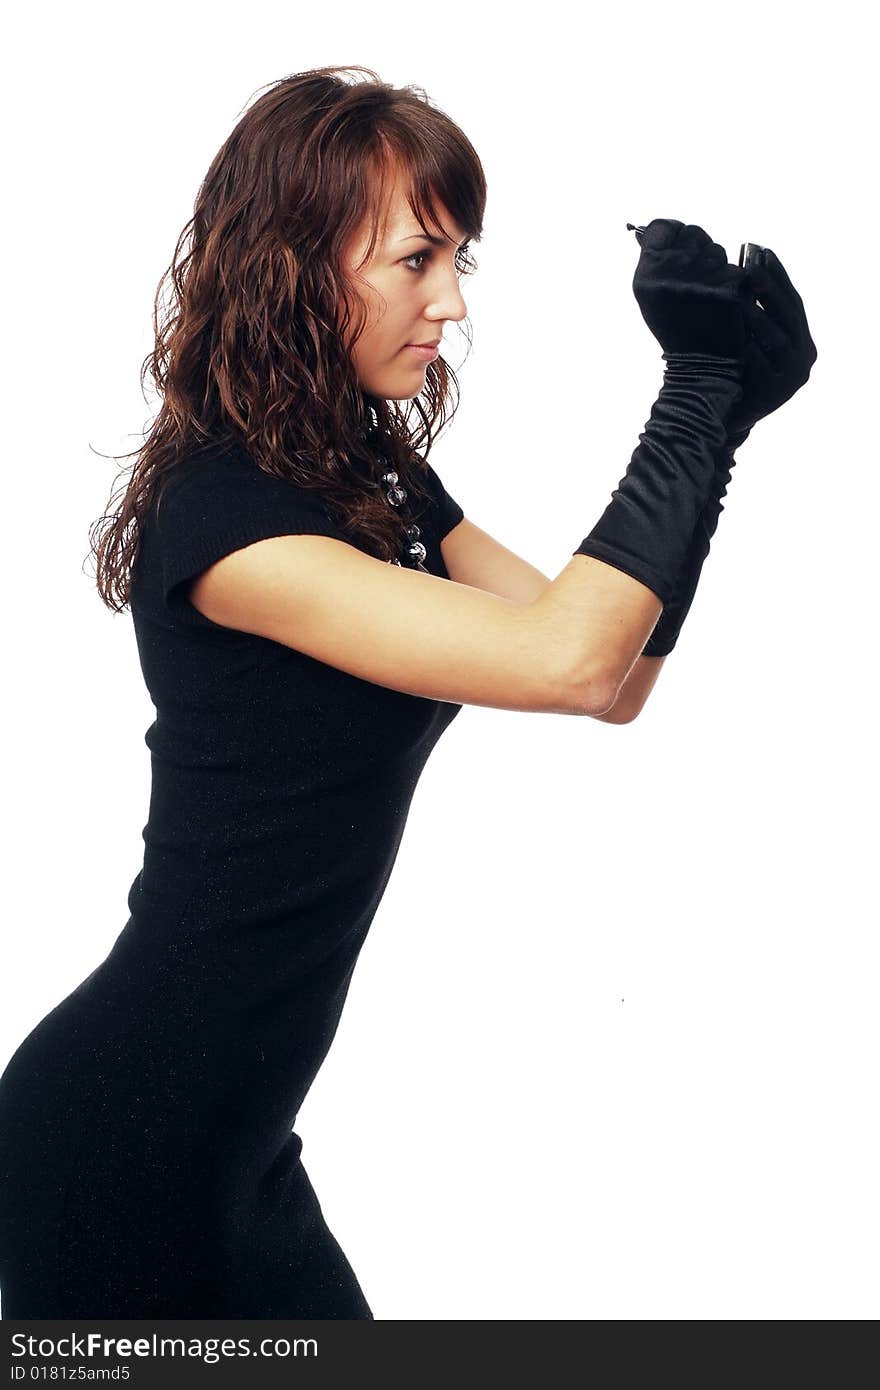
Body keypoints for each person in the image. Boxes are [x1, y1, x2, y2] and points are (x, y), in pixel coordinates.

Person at [0, 64, 816, 1320]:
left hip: (241, 1153)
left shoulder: (361, 474)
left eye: (458, 263)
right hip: (119, 1149)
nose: (448, 303)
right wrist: (691, 396)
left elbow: (613, 675)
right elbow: (569, 658)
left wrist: (722, 434)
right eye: (413, 260)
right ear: (292, 266)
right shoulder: (229, 522)